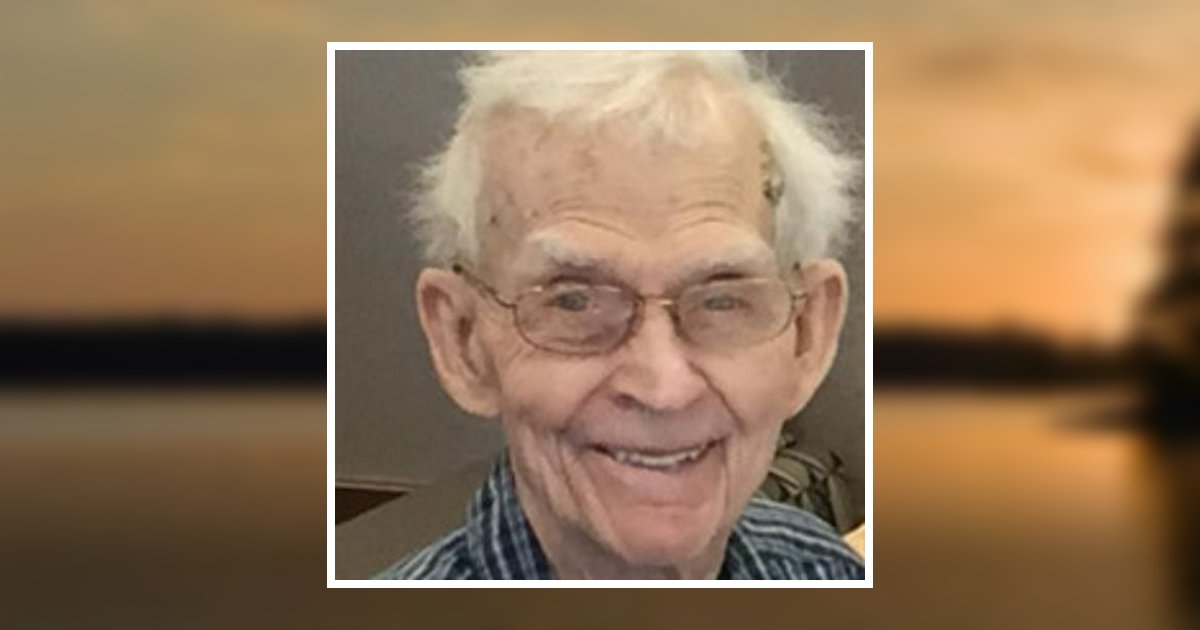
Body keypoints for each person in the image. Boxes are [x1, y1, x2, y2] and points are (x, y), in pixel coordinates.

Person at [376, 51, 864, 580]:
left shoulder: (821, 569)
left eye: (721, 300)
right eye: (574, 301)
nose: (664, 389)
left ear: (808, 335)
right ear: (463, 342)